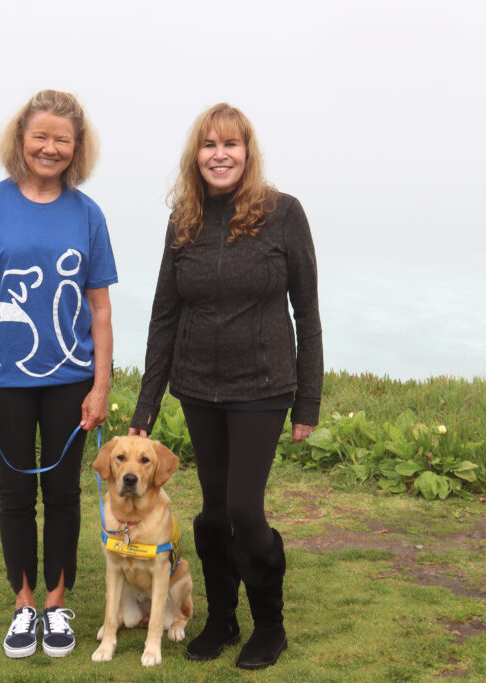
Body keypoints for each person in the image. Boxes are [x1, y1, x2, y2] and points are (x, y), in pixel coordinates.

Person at [129, 103, 322, 670]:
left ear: (247, 152)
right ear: (197, 155)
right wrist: (146, 405)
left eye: (230, 145)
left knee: (244, 509)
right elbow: (164, 315)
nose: (220, 155)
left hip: (262, 387)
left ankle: (270, 625)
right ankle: (220, 618)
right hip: (198, 389)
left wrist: (307, 401)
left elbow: (306, 314)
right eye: (209, 145)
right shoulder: (183, 219)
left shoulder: (283, 214)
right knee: (213, 513)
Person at [0, 89, 117, 660]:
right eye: (40, 137)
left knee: (63, 492)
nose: (50, 148)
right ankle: (23, 605)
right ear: (21, 140)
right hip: (3, 381)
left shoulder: (87, 214)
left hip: (71, 378)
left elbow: (99, 310)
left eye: (62, 140)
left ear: (77, 148)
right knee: (16, 493)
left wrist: (100, 386)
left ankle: (55, 606)